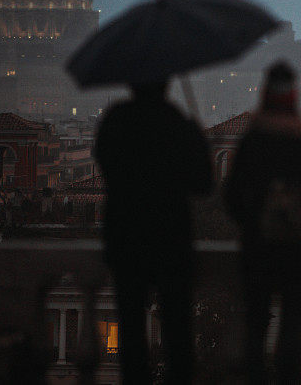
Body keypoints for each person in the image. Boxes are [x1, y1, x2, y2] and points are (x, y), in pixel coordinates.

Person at [225, 61, 301, 384]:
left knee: (255, 328)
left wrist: (253, 223)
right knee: (292, 329)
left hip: (257, 251)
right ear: (294, 96)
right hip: (299, 253)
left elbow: (231, 196)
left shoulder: (253, 140)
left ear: (264, 94)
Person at [94, 79, 212, 384]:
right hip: (170, 240)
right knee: (177, 330)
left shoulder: (116, 120)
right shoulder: (176, 122)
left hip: (126, 239)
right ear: (166, 85)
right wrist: (198, 141)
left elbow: (105, 165)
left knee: (131, 330)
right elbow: (203, 184)